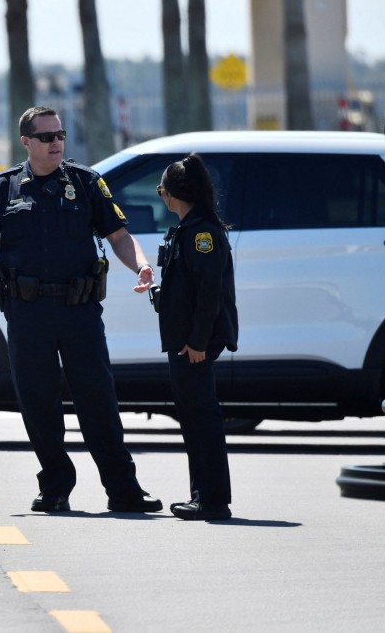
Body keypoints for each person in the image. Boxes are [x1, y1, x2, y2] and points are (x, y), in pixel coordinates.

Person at [0, 106, 162, 514]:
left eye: (60, 135)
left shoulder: (85, 183)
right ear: (26, 142)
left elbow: (119, 236)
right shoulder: (3, 188)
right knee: (38, 402)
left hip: (78, 309)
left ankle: (124, 490)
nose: (56, 143)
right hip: (27, 312)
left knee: (98, 400)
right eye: (46, 137)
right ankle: (54, 487)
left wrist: (140, 264)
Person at [155, 153, 238, 521]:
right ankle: (203, 495)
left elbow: (209, 293)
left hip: (194, 342)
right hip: (186, 338)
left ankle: (212, 499)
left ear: (172, 195)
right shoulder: (188, 229)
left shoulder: (202, 233)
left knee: (201, 418)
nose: (161, 197)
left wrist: (199, 342)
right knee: (193, 416)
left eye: (160, 191)